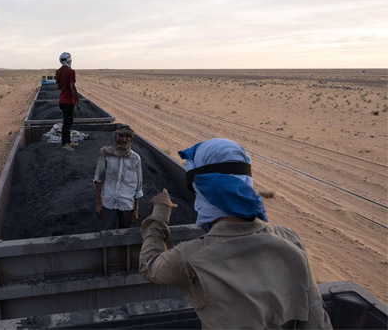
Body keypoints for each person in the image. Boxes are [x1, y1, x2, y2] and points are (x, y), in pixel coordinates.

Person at [139, 138, 332, 329]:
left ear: (201, 189)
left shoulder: (190, 257)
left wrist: (160, 213)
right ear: (247, 181)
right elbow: (317, 323)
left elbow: (150, 265)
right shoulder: (291, 240)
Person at [93, 124, 143, 229]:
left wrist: (136, 209)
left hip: (127, 203)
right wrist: (98, 203)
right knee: (108, 231)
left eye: (127, 136)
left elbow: (138, 186)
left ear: (131, 138)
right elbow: (99, 179)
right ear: (116, 137)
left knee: (124, 234)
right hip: (108, 202)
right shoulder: (106, 154)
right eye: (121, 136)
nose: (124, 139)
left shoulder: (135, 158)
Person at [56, 52, 81, 151]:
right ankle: (64, 144)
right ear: (68, 60)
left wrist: (63, 84)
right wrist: (77, 101)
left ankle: (69, 142)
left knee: (67, 122)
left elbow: (57, 86)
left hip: (62, 100)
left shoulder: (58, 71)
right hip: (68, 101)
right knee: (67, 123)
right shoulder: (71, 72)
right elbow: (72, 87)